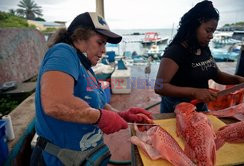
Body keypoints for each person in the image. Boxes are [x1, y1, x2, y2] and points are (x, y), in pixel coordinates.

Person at [30, 12, 152, 166]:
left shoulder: (87, 69)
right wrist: (100, 117)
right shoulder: (63, 52)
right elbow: (55, 104)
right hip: (58, 160)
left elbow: (98, 106)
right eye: (100, 42)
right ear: (79, 38)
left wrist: (122, 115)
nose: (104, 50)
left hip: (86, 158)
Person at [155, 0, 244, 113]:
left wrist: (239, 80)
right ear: (193, 26)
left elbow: (216, 74)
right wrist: (195, 92)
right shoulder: (175, 51)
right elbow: (160, 86)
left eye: (213, 31)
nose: (211, 36)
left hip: (200, 107)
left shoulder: (203, 47)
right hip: (176, 110)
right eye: (208, 30)